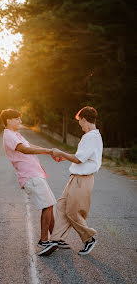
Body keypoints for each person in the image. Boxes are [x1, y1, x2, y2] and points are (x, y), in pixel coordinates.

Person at [40, 106, 103, 256]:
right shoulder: (91, 136)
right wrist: (64, 158)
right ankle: (56, 239)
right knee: (61, 206)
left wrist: (60, 152)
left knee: (73, 212)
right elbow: (81, 158)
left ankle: (89, 238)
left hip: (82, 180)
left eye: (80, 121)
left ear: (84, 119)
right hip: (75, 178)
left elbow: (79, 159)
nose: (79, 125)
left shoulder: (91, 137)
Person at [0, 108, 58, 256]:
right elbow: (25, 150)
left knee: (49, 204)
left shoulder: (16, 134)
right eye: (17, 118)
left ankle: (57, 238)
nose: (20, 121)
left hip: (35, 174)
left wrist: (49, 151)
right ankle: (44, 241)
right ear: (8, 120)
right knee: (47, 205)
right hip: (30, 176)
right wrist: (48, 151)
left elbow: (31, 146)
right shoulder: (8, 135)